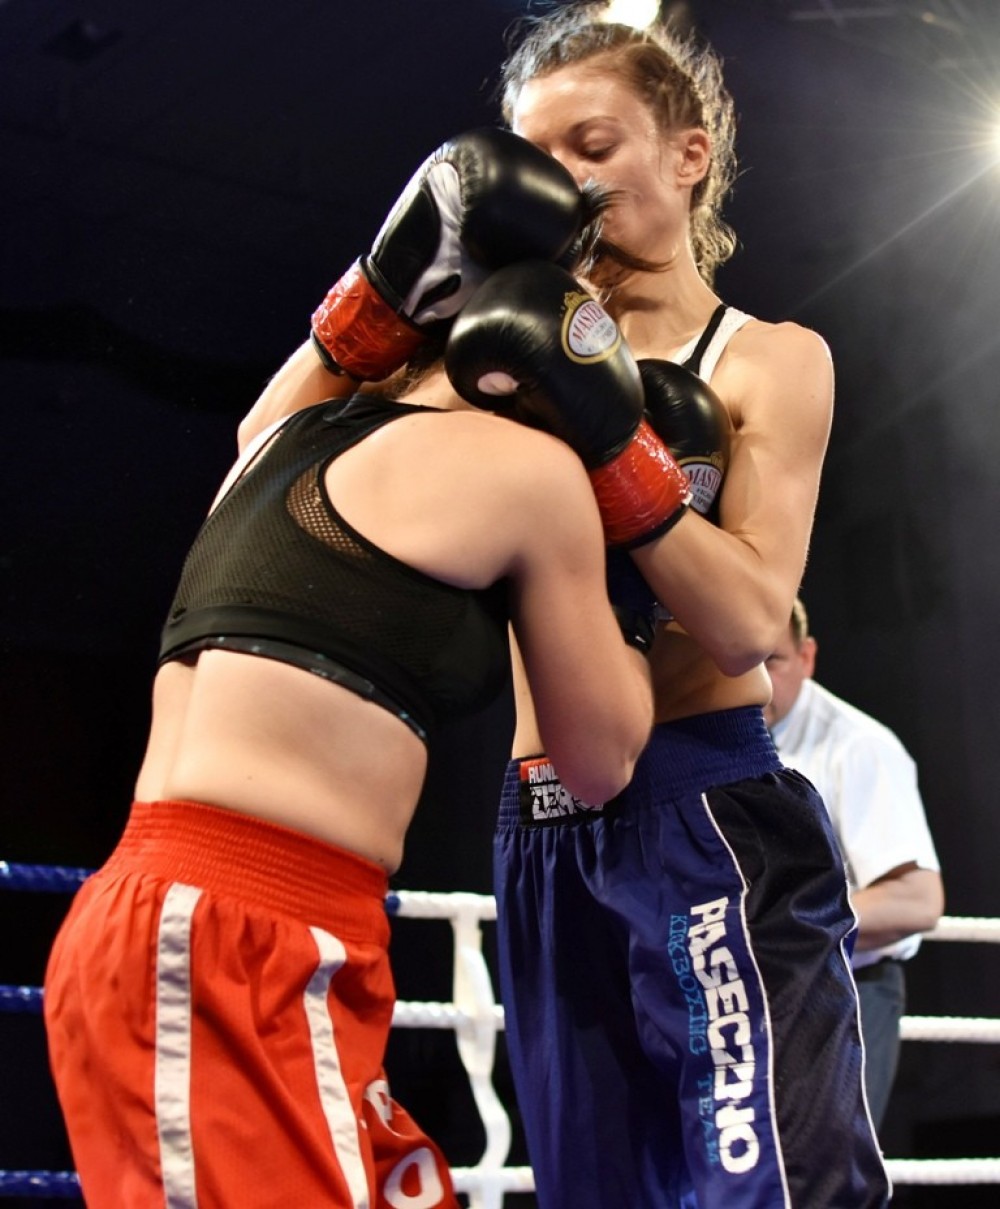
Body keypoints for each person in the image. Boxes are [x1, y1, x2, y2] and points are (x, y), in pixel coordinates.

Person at [41, 130, 659, 1209]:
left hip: (259, 934)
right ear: (568, 319)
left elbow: (260, 418)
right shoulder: (530, 473)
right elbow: (602, 759)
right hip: (225, 936)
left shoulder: (284, 438)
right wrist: (631, 481)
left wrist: (378, 293)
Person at [479, 6, 892, 1207]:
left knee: (776, 1191)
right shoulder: (491, 354)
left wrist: (614, 442)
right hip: (541, 831)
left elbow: (750, 622)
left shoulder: (768, 358)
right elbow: (264, 443)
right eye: (534, 160)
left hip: (701, 808)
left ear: (687, 153)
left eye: (591, 146)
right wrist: (384, 289)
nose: (562, 183)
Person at [764, 597, 945, 1130]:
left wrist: (777, 927)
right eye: (740, 661)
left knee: (828, 1165)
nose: (756, 681)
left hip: (847, 991)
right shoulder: (723, 747)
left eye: (772, 661)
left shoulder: (856, 746)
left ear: (806, 657)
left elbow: (915, 899)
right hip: (756, 992)